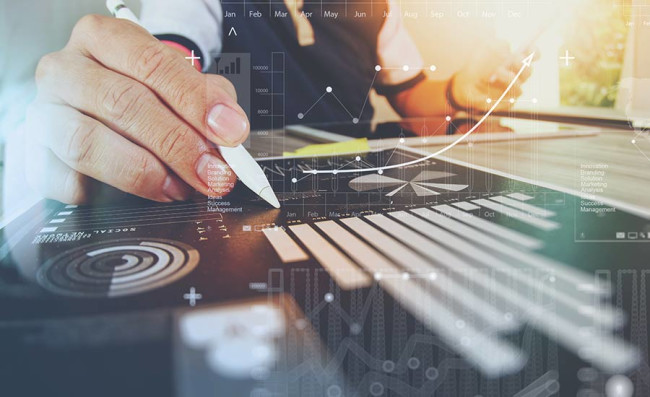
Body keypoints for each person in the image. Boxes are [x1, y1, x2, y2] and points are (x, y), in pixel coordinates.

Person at [25, 0, 534, 204]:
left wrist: (455, 91)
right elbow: (171, 60)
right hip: (244, 192)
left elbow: (408, 94)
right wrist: (140, 87)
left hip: (357, 186)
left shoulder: (379, 6)